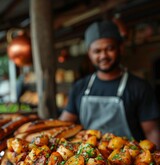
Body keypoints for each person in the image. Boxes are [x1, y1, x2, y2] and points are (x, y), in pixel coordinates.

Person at [59, 20, 160, 148]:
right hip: (89, 160)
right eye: (97, 51)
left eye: (109, 49)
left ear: (120, 49)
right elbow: (64, 125)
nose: (103, 56)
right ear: (89, 54)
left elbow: (152, 132)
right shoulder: (80, 87)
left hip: (130, 162)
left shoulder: (139, 87)